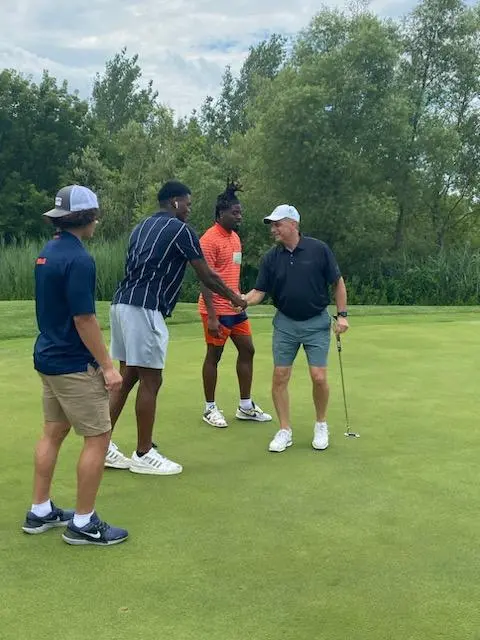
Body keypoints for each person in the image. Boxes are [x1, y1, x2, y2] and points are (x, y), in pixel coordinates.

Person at [106, 180, 247, 474]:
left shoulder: (140, 227)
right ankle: (144, 454)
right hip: (145, 308)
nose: (189, 210)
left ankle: (102, 444)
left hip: (121, 304)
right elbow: (206, 276)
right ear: (175, 203)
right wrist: (234, 297)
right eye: (188, 204)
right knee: (151, 380)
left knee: (129, 375)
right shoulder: (181, 230)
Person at [22, 185, 128, 546]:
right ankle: (83, 523)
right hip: (72, 364)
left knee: (53, 431)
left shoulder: (47, 253)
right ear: (85, 218)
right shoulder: (80, 259)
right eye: (95, 215)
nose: (97, 221)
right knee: (98, 437)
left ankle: (40, 511)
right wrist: (108, 366)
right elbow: (84, 319)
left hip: (48, 358)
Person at [244, 204, 349, 453]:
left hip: (316, 321)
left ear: (293, 224)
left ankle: (321, 424)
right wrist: (241, 301)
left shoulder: (318, 249)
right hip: (285, 323)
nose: (273, 229)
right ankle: (284, 430)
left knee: (319, 376)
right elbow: (259, 292)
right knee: (280, 376)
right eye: (272, 224)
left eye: (277, 224)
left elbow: (338, 283)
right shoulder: (271, 258)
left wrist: (342, 316)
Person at [198, 182, 272, 428]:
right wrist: (211, 316)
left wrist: (239, 299)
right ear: (221, 213)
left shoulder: (235, 238)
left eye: (240, 212)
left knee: (248, 350)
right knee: (214, 355)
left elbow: (231, 272)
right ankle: (210, 408)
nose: (240, 216)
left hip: (235, 308)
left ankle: (245, 405)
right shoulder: (209, 240)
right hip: (216, 310)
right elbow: (205, 280)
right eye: (235, 213)